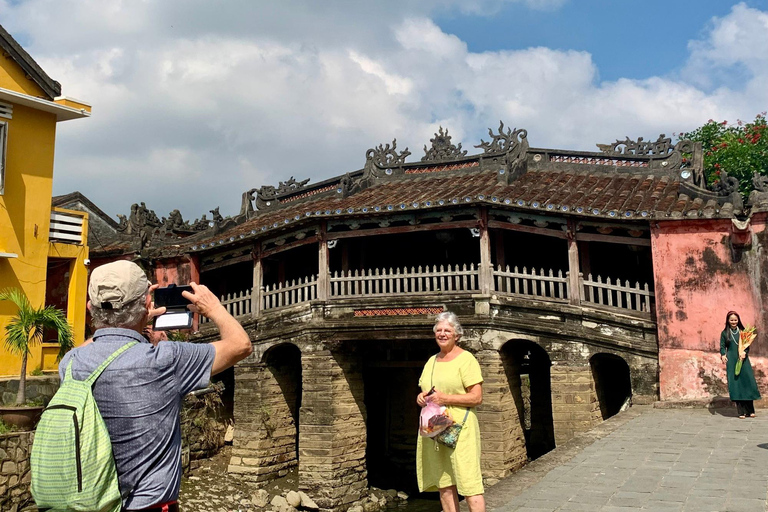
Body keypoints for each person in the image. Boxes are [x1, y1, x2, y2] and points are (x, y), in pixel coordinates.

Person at [59, 260, 252, 511]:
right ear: (147, 304)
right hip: (148, 505)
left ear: (89, 308)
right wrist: (213, 307)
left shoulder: (71, 364)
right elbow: (240, 345)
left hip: (89, 503)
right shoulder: (165, 360)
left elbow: (92, 346)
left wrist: (129, 320)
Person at [416, 312, 485, 512]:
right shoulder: (431, 361)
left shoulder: (466, 359)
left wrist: (446, 398)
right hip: (435, 428)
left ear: (457, 335)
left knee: (470, 483)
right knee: (443, 482)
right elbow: (426, 391)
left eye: (447, 330)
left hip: (460, 428)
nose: (443, 334)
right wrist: (420, 397)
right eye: (439, 330)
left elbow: (477, 397)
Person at [720, 310, 761, 419]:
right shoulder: (724, 333)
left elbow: (747, 346)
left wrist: (745, 353)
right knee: (737, 385)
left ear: (738, 320)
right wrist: (723, 355)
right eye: (731, 320)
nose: (734, 322)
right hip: (732, 360)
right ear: (728, 321)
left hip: (744, 360)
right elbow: (722, 346)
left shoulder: (743, 331)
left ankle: (750, 410)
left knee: (747, 383)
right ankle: (741, 412)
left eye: (735, 320)